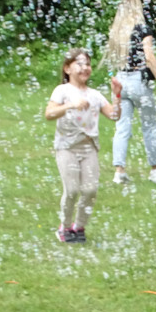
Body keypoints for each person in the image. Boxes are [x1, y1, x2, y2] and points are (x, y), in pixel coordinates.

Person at [45, 49, 122, 242]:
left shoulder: (94, 95)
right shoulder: (62, 91)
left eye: (87, 64)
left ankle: (79, 227)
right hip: (67, 147)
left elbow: (114, 115)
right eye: (79, 63)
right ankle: (64, 227)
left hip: (89, 148)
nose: (85, 67)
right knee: (71, 190)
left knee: (90, 190)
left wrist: (117, 96)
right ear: (67, 68)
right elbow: (49, 113)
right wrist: (70, 105)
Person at [104, 0, 156, 184]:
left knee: (122, 127)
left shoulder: (116, 32)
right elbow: (148, 56)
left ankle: (119, 171)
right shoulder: (141, 29)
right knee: (149, 125)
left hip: (120, 79)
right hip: (138, 81)